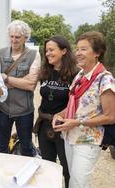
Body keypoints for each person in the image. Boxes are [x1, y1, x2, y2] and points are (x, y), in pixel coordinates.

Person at [52, 31, 115, 188]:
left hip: (88, 140)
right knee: (73, 179)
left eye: (84, 49)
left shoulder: (105, 79)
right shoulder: (80, 75)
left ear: (97, 53)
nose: (78, 53)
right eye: (77, 49)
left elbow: (110, 116)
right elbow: (75, 105)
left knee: (77, 184)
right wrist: (58, 115)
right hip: (70, 136)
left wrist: (76, 122)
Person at [0, 20, 41, 156]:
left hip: (24, 110)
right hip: (3, 108)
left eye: (18, 37)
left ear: (26, 38)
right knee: (2, 146)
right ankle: (2, 174)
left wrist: (6, 78)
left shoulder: (34, 55)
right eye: (11, 36)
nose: (14, 40)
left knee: (26, 146)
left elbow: (31, 85)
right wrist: (21, 82)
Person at [35, 36, 78, 188]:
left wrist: (60, 116)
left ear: (64, 51)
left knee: (67, 169)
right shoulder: (45, 72)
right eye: (46, 50)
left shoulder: (76, 75)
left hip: (64, 127)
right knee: (47, 167)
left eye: (51, 50)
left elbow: (77, 103)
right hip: (45, 126)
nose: (48, 53)